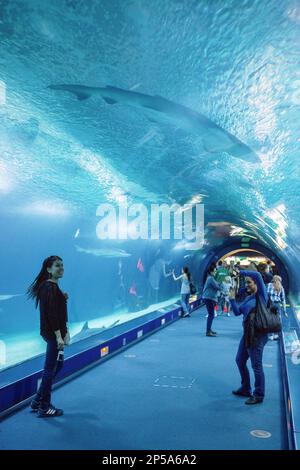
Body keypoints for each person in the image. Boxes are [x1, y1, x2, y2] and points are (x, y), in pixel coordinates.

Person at [27, 256, 69, 418]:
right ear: (49, 269)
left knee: (57, 366)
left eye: (62, 265)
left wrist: (62, 299)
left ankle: (37, 400)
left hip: (56, 332)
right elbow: (51, 314)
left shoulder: (53, 287)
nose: (61, 268)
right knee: (49, 368)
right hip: (53, 334)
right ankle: (44, 406)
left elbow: (58, 311)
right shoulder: (49, 287)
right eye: (57, 266)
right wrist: (59, 336)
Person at [229, 269, 269, 405]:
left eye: (249, 283)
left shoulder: (262, 296)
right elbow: (236, 312)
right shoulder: (248, 298)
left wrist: (240, 271)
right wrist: (232, 299)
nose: (247, 285)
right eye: (246, 283)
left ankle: (259, 394)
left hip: (258, 336)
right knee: (240, 360)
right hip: (247, 334)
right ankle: (246, 388)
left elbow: (257, 274)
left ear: (256, 283)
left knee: (256, 366)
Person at [202, 264, 221, 336]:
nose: (215, 272)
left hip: (209, 298)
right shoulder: (210, 278)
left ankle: (209, 329)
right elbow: (217, 287)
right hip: (208, 298)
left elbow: (216, 284)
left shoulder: (211, 278)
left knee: (211, 314)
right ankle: (208, 331)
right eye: (215, 271)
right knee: (211, 314)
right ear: (211, 272)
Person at [267, 275, 288, 340]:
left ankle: (270, 334)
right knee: (277, 320)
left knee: (269, 320)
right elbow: (283, 299)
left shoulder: (269, 285)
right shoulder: (281, 288)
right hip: (277, 305)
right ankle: (276, 334)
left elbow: (266, 295)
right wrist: (284, 311)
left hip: (270, 304)